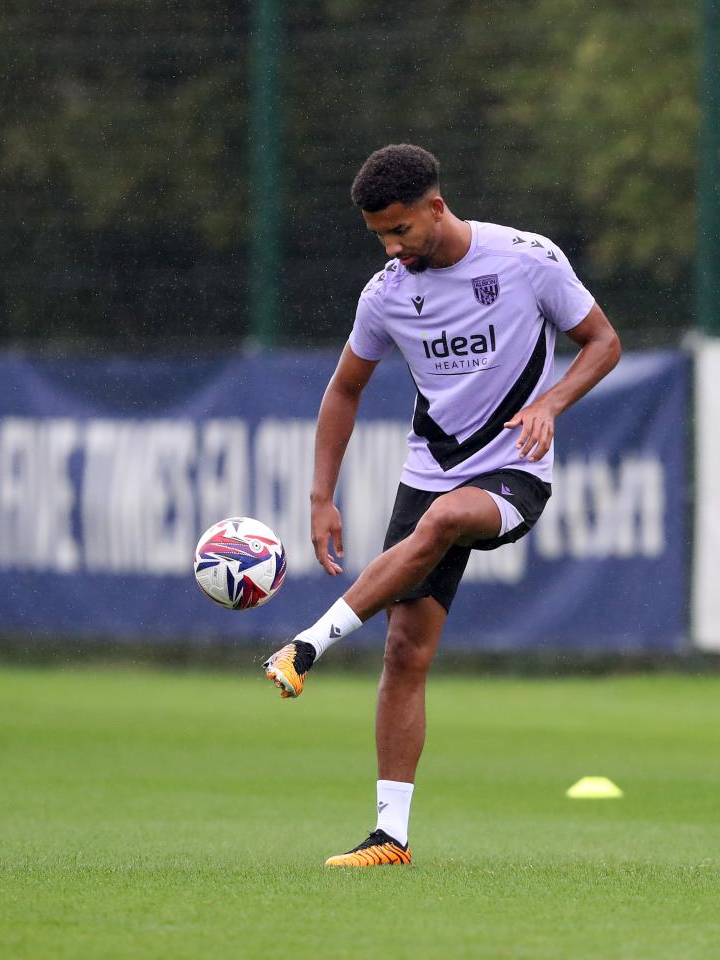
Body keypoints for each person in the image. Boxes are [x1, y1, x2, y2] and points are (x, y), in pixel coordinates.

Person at [262, 144, 621, 867]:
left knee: (451, 518)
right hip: (430, 471)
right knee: (404, 650)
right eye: (379, 237)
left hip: (515, 472)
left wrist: (551, 401)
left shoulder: (526, 260)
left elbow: (603, 342)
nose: (393, 249)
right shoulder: (386, 293)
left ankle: (309, 643)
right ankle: (390, 836)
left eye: (401, 231)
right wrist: (320, 495)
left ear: (436, 204)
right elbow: (345, 389)